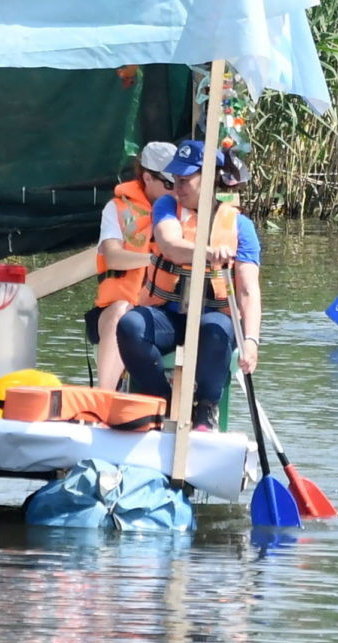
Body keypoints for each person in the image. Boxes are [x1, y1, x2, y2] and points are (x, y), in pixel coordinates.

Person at [113, 141, 261, 430]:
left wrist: (251, 341)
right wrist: (208, 253)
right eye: (174, 179)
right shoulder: (167, 207)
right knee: (130, 325)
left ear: (208, 179)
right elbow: (169, 245)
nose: (177, 186)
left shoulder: (241, 226)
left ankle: (206, 409)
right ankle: (163, 402)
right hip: (167, 315)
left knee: (215, 330)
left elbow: (247, 289)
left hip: (214, 317)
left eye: (185, 180)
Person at [86, 140, 177, 390]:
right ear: (147, 178)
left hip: (161, 311)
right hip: (117, 306)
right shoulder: (117, 209)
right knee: (121, 311)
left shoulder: (184, 212)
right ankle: (103, 397)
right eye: (169, 184)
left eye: (180, 182)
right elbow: (113, 256)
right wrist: (155, 258)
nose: (176, 190)